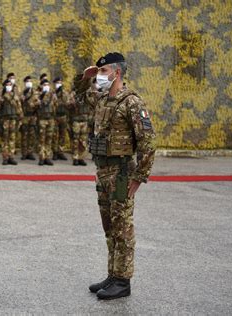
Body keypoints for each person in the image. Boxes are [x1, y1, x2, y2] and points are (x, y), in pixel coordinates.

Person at [83, 52, 156, 300]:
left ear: (117, 73)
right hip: (102, 171)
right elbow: (79, 98)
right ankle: (113, 275)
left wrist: (140, 175)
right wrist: (86, 78)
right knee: (109, 226)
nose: (100, 76)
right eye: (99, 72)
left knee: (122, 228)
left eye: (104, 72)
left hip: (121, 172)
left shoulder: (132, 103)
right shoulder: (103, 99)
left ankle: (123, 281)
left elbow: (148, 141)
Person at [0, 79, 23, 165]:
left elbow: (19, 107)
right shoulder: (1, 96)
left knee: (12, 138)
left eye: (10, 84)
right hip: (5, 120)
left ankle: (11, 157)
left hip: (13, 119)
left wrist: (20, 117)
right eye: (7, 84)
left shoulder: (15, 96)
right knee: (5, 139)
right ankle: (5, 157)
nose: (9, 86)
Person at [37, 79, 58, 166]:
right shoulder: (38, 94)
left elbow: (56, 104)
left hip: (50, 119)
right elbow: (34, 105)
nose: (46, 86)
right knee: (42, 140)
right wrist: (41, 97)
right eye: (44, 84)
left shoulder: (52, 95)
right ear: (41, 86)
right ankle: (42, 157)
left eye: (47, 84)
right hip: (42, 119)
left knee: (49, 139)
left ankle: (48, 157)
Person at [20, 76, 39, 160]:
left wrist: (35, 104)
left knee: (32, 135)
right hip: (25, 116)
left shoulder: (35, 93)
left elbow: (38, 104)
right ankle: (24, 153)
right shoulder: (22, 93)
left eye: (30, 81)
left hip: (32, 116)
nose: (29, 83)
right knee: (24, 135)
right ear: (25, 83)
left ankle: (30, 152)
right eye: (27, 81)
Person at [52, 77, 71, 161]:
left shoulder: (64, 93)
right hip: (55, 117)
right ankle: (55, 152)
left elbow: (67, 103)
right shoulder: (52, 93)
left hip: (63, 116)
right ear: (54, 84)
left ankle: (61, 152)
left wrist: (62, 93)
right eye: (57, 82)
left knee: (62, 135)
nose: (59, 84)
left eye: (60, 82)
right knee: (55, 135)